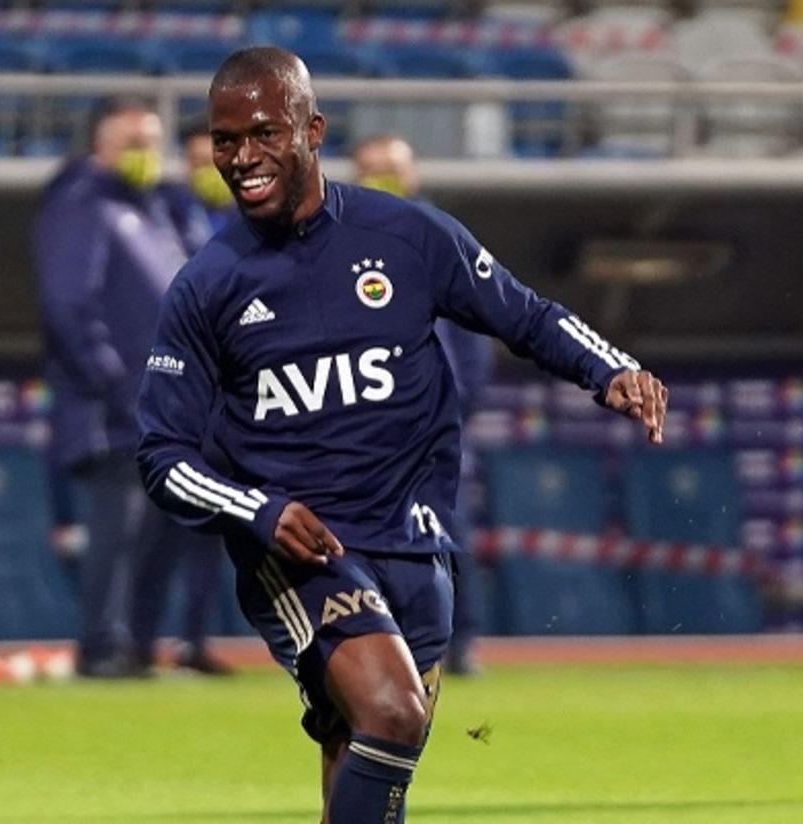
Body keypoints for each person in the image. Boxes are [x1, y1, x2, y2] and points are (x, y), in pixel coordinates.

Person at [136, 47, 668, 823]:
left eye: (264, 134)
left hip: (415, 539)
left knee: (362, 754)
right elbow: (162, 456)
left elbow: (524, 315)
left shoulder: (409, 235)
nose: (242, 158)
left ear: (312, 130)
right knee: (392, 712)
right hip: (304, 552)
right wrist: (259, 512)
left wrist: (610, 369)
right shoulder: (207, 285)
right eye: (225, 141)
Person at [33, 96, 231, 678]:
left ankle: (140, 642)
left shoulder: (153, 209)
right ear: (100, 145)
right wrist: (117, 385)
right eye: (132, 142)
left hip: (172, 407)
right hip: (117, 410)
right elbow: (70, 306)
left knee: (162, 532)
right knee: (118, 532)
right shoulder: (81, 205)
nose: (146, 153)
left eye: (151, 142)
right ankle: (102, 646)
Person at [354, 134, 496, 675]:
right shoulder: (333, 246)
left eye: (392, 169)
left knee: (449, 537)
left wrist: (454, 410)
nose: (384, 181)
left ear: (412, 175)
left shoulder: (444, 241)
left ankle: (462, 646)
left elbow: (475, 336)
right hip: (365, 433)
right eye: (373, 170)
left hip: (434, 430)